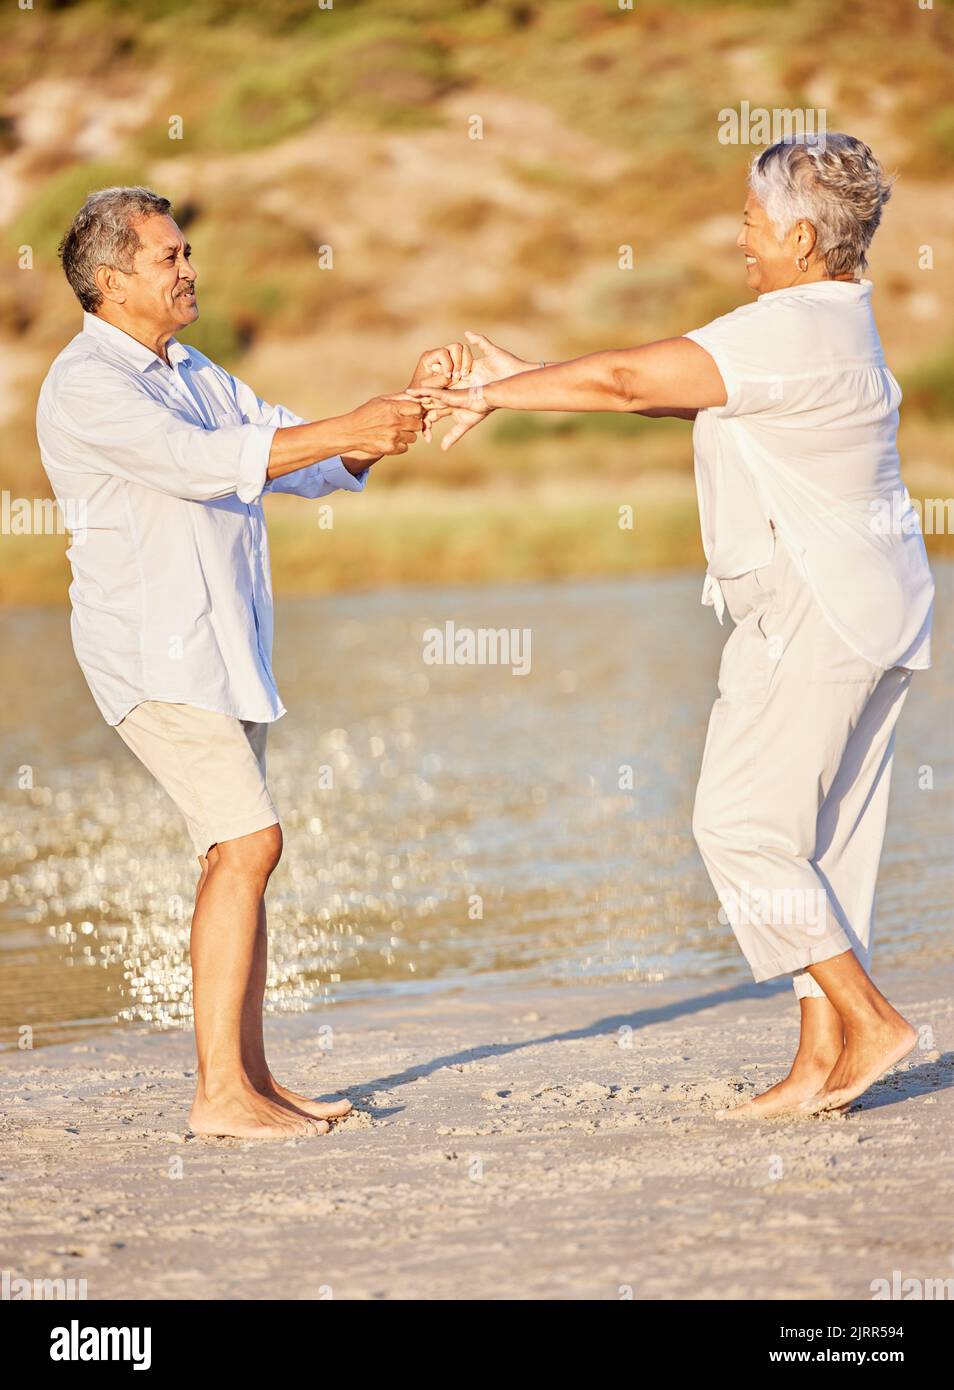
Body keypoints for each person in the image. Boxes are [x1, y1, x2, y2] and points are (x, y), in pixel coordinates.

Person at [412, 133, 934, 1118]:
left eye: (750, 222)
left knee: (738, 826)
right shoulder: (828, 321)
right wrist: (525, 371)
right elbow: (685, 396)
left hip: (815, 612)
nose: (739, 238)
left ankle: (870, 1023)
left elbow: (626, 382)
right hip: (876, 606)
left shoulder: (788, 326)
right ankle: (821, 1063)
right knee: (813, 846)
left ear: (802, 239)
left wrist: (485, 391)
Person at [36, 185, 471, 1140]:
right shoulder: (87, 383)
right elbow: (203, 463)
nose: (189, 271)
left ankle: (253, 1082)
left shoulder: (191, 368)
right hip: (153, 656)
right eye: (169, 259)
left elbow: (304, 461)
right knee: (248, 845)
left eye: (187, 252)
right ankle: (218, 1097)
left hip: (226, 652)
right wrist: (347, 427)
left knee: (241, 854)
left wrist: (400, 407)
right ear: (112, 282)